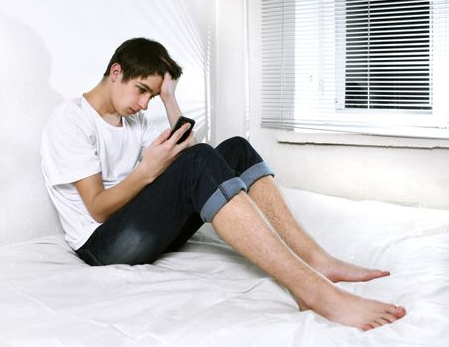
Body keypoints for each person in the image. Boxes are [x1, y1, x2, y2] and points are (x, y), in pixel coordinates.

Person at [40, 37, 406, 331]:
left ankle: (315, 260)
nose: (143, 103)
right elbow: (98, 207)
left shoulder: (130, 122)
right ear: (115, 71)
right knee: (200, 162)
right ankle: (312, 290)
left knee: (234, 150)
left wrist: (168, 97)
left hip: (131, 228)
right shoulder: (70, 121)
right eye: (141, 90)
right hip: (100, 245)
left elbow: (194, 152)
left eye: (151, 96)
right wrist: (147, 171)